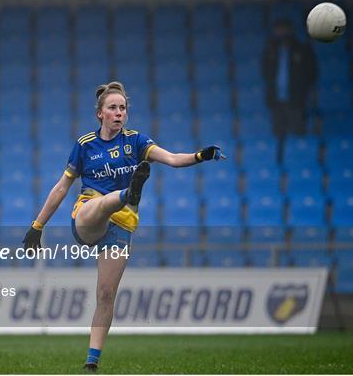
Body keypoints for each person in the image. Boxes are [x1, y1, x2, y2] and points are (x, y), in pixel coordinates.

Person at [22, 81, 224, 372]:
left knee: (105, 294)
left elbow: (171, 159)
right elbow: (61, 188)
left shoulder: (136, 141)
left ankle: (92, 361)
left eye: (123, 108)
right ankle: (128, 194)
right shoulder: (85, 145)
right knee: (98, 206)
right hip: (87, 219)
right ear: (100, 114)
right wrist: (37, 226)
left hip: (122, 227)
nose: (119, 113)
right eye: (113, 108)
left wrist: (200, 156)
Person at [261, 19, 318, 139]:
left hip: (296, 100)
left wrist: (302, 90)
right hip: (276, 99)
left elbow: (312, 73)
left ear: (291, 30)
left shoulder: (302, 50)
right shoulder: (270, 50)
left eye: (284, 30)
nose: (281, 33)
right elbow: (264, 72)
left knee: (298, 133)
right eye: (278, 30)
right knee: (278, 134)